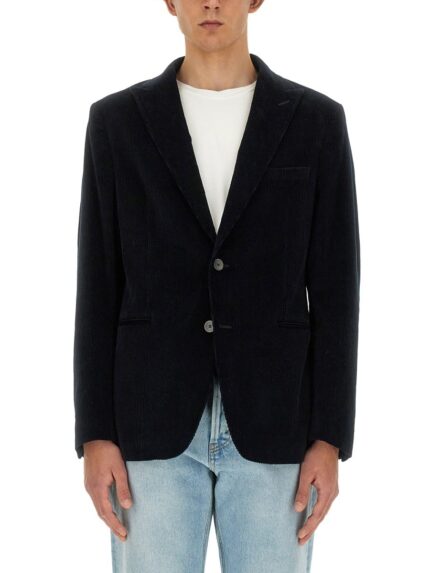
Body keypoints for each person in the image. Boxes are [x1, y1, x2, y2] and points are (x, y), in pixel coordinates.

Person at [73, 1, 360, 571]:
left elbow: (337, 290)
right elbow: (97, 284)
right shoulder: (117, 123)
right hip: (149, 423)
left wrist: (329, 438)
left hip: (277, 422)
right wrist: (95, 434)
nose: (211, 3)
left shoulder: (315, 122)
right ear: (169, 2)